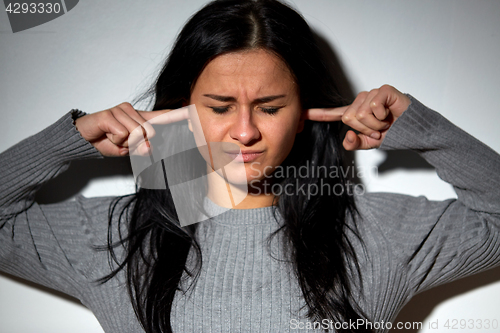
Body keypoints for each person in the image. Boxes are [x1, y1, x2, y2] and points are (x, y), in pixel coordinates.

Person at [1, 0, 499, 332]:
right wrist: (71, 139)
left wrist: (420, 130)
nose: (244, 132)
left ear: (305, 114)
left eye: (269, 106)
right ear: (181, 109)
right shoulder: (112, 237)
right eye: (219, 108)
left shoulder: (378, 231)